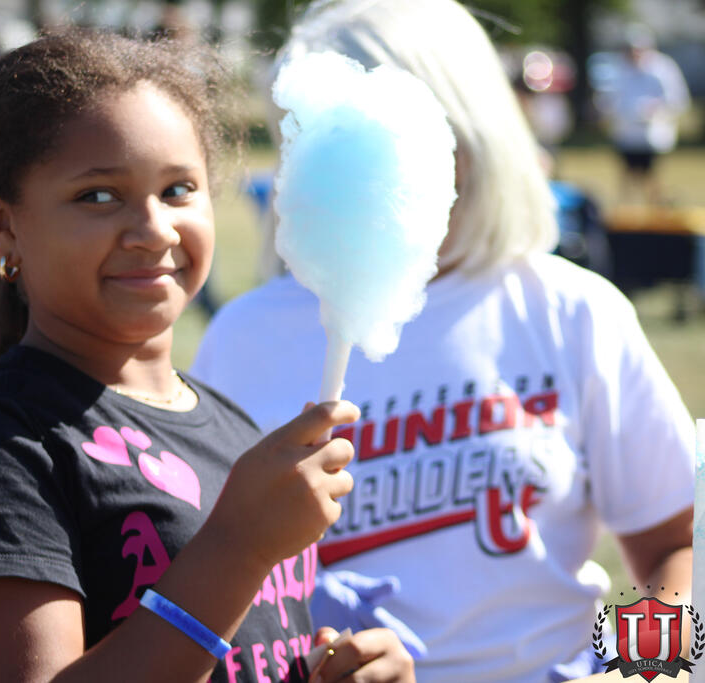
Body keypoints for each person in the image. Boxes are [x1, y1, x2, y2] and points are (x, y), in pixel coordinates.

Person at [191, 1, 693, 682]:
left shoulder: (570, 311)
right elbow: (203, 578)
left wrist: (643, 671)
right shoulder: (243, 338)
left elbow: (675, 544)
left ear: (466, 138)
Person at [0, 28, 414, 683]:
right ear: (3, 222)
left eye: (178, 190)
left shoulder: (231, 427)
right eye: (98, 196)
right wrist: (238, 547)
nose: (153, 230)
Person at [596, 24, 689, 207]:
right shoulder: (618, 68)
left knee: (652, 177)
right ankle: (627, 211)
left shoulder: (662, 68)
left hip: (653, 133)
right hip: (626, 133)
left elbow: (677, 99)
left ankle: (656, 210)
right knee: (627, 175)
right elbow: (607, 99)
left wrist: (657, 110)